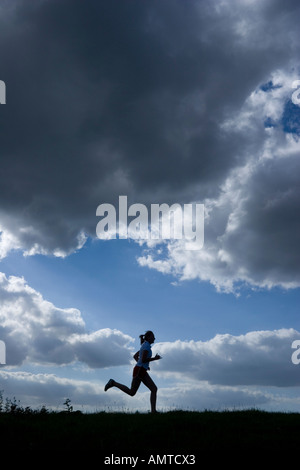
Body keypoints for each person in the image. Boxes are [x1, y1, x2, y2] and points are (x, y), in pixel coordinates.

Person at [104, 330, 162, 413]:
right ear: (148, 337)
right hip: (139, 371)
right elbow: (143, 359)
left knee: (135, 392)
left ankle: (153, 411)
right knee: (152, 389)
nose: (154, 338)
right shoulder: (146, 347)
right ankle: (113, 383)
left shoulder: (144, 345)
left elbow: (136, 357)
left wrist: (144, 366)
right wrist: (154, 359)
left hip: (140, 370)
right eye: (153, 336)